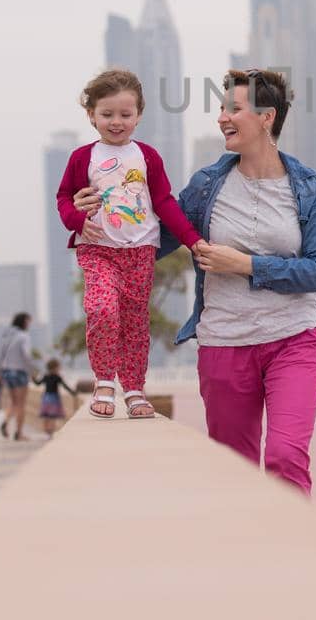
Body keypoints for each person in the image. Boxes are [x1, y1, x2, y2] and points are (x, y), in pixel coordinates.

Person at [84, 68, 316, 495]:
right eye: (221, 108)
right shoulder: (206, 186)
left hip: (293, 340)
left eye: (233, 109)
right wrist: (93, 219)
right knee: (232, 474)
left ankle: (289, 557)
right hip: (224, 344)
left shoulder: (311, 188)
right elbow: (151, 241)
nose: (221, 117)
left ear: (266, 117)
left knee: (285, 458)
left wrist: (248, 265)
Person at [57, 68, 205, 419]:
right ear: (91, 115)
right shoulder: (82, 157)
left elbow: (164, 202)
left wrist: (192, 240)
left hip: (140, 250)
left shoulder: (148, 157)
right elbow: (64, 198)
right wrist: (78, 221)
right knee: (102, 309)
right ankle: (104, 380)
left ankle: (135, 389)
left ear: (139, 115)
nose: (116, 122)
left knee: (136, 323)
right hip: (97, 248)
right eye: (107, 114)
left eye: (125, 114)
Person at [0, 312, 37, 440]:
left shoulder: (7, 336)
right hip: (20, 372)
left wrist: (0, 372)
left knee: (14, 402)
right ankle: (19, 433)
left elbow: (1, 356)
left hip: (7, 371)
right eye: (28, 321)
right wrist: (32, 370)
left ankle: (5, 421)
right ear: (24, 322)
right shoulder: (24, 336)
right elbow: (26, 355)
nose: (29, 324)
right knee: (21, 404)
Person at [34, 358, 78, 438]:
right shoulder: (57, 377)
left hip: (46, 398)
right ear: (55, 368)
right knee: (52, 416)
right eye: (58, 367)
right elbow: (65, 386)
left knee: (46, 416)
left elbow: (38, 383)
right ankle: (50, 433)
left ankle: (46, 431)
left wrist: (33, 378)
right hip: (54, 398)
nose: (59, 369)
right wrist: (73, 392)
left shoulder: (46, 376)